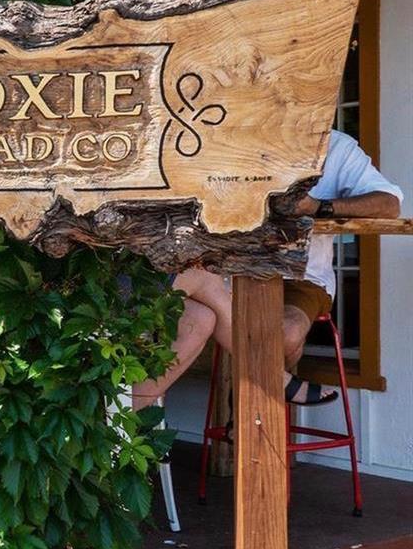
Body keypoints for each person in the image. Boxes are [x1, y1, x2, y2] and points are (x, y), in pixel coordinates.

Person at [134, 129, 402, 408]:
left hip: (301, 275)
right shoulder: (233, 134)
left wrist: (319, 207)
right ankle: (267, 387)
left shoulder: (335, 146)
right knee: (201, 316)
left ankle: (251, 404)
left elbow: (390, 204)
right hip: (229, 269)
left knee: (284, 335)